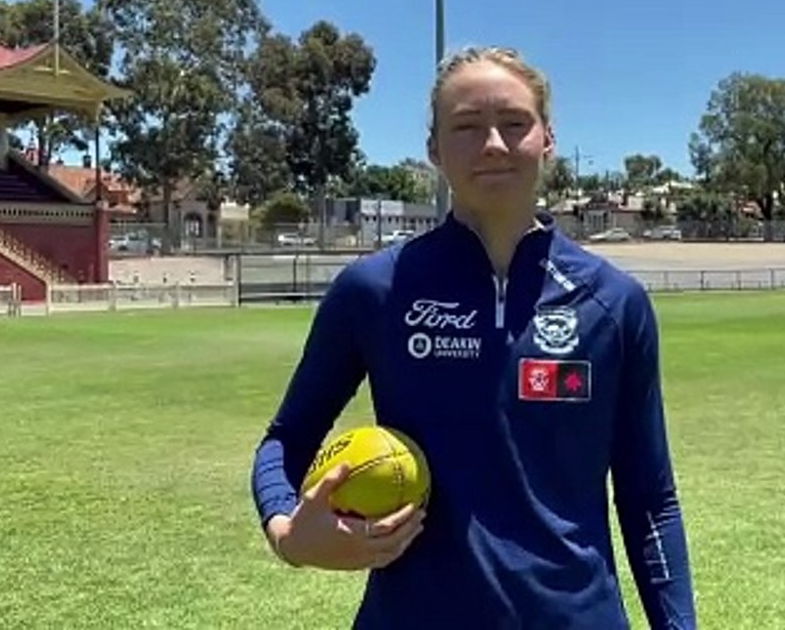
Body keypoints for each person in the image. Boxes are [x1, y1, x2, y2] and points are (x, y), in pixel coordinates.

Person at [251, 46, 698, 629]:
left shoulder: (614, 303)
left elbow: (650, 502)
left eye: (514, 123)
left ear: (548, 140)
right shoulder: (374, 290)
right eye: (466, 127)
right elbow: (285, 441)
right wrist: (289, 532)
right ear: (434, 149)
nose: (492, 143)